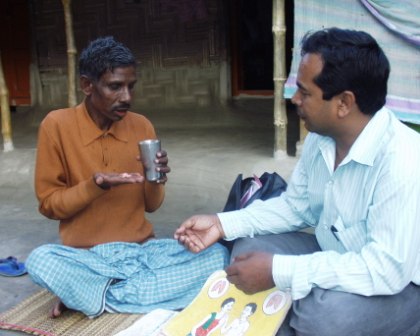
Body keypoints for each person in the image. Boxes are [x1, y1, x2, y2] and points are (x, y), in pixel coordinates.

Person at [175, 27, 420, 336]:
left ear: (344, 103)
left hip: (403, 285)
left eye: (305, 92)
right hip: (334, 252)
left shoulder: (404, 159)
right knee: (248, 250)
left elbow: (386, 270)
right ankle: (299, 311)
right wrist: (222, 223)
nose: (295, 99)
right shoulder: (322, 139)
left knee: (327, 316)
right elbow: (296, 207)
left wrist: (279, 271)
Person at [26, 36, 228, 318]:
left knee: (217, 255)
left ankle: (101, 297)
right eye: (115, 87)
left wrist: (155, 179)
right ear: (87, 85)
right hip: (87, 258)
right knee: (40, 261)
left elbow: (151, 206)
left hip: (142, 253)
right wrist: (94, 186)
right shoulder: (56, 125)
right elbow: (50, 205)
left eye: (131, 86)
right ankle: (136, 293)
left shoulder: (141, 126)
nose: (127, 98)